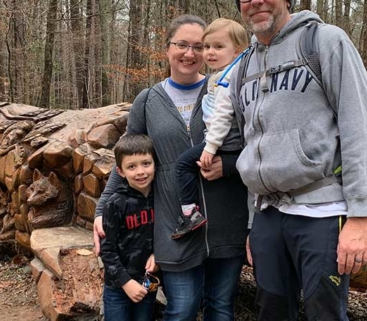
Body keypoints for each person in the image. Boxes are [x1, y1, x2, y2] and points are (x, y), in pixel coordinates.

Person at [232, 1, 367, 320]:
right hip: (267, 217)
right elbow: (252, 145)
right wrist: (251, 222)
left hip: (322, 212)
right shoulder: (243, 66)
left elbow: (360, 127)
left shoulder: (325, 41)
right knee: (270, 312)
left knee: (323, 313)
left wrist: (359, 215)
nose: (256, 2)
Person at [93, 14, 250, 321]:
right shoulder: (149, 100)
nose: (190, 53)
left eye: (199, 46)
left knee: (221, 307)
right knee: (181, 309)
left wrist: (227, 166)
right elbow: (124, 158)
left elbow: (254, 150)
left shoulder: (228, 90)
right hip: (173, 227)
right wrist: (102, 209)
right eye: (182, 45)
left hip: (226, 220)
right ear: (167, 49)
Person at [171, 18, 250, 240]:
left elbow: (223, 116)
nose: (209, 53)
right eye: (206, 47)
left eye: (218, 47)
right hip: (224, 142)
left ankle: (190, 213)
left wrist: (211, 147)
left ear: (237, 51)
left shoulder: (227, 80)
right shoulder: (222, 77)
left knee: (184, 164)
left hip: (223, 142)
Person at [100, 134, 160, 321]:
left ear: (155, 164)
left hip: (148, 282)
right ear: (120, 171)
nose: (140, 172)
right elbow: (107, 250)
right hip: (118, 287)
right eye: (131, 167)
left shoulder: (161, 198)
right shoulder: (115, 203)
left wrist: (159, 254)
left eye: (146, 163)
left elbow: (168, 232)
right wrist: (126, 283)